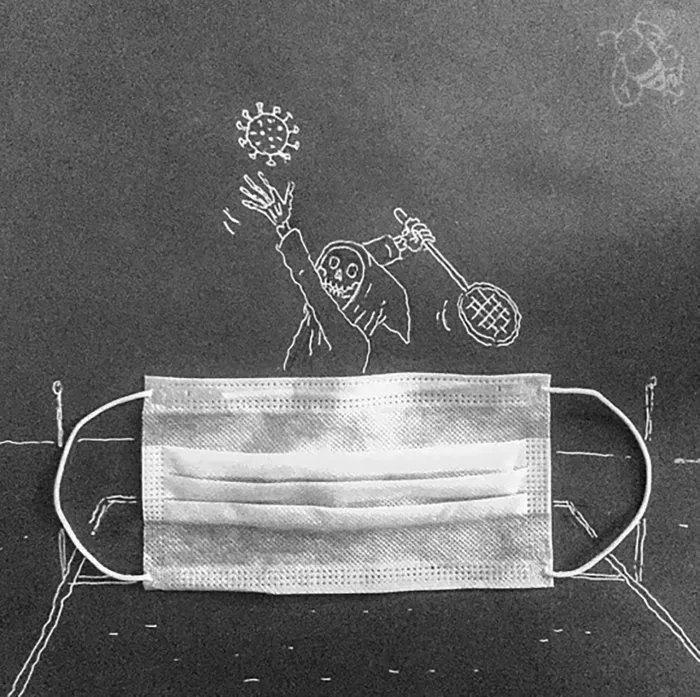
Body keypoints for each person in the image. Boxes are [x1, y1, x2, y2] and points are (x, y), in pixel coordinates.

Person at [241, 172, 434, 374]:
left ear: (364, 295)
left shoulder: (355, 344)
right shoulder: (316, 325)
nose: (338, 276)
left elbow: (316, 290)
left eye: (351, 273)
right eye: (332, 263)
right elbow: (360, 258)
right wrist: (401, 244)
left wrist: (284, 228)